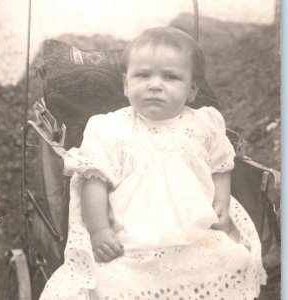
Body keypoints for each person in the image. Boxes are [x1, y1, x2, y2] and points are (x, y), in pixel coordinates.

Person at [40, 26, 266, 300]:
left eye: (170, 77)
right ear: (125, 84)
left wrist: (220, 201)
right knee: (114, 282)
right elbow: (93, 182)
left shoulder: (205, 124)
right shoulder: (108, 129)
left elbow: (221, 165)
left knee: (233, 262)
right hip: (133, 241)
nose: (155, 84)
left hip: (194, 236)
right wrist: (100, 230)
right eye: (142, 75)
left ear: (192, 89)